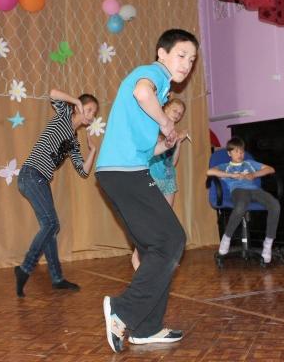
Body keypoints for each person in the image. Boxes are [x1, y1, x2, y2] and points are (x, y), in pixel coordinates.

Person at [96, 28, 198, 353]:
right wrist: (166, 124)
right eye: (181, 55)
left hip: (122, 169)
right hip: (124, 172)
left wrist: (162, 145)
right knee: (173, 239)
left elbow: (141, 148)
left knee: (155, 248)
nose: (187, 64)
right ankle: (123, 311)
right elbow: (142, 92)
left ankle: (146, 328)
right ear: (162, 53)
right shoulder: (152, 74)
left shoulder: (162, 90)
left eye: (192, 59)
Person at [14, 89, 98, 297]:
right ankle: (25, 268)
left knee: (49, 227)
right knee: (52, 224)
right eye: (88, 110)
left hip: (40, 180)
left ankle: (57, 278)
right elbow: (53, 93)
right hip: (31, 175)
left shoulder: (73, 141)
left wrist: (93, 151)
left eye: (94, 113)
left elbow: (83, 171)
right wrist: (75, 101)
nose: (91, 116)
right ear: (78, 108)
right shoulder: (64, 116)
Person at [130, 98, 189, 271]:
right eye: (175, 110)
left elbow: (173, 162)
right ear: (165, 108)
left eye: (180, 114)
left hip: (169, 180)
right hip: (153, 178)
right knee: (149, 221)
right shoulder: (153, 127)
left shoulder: (172, 132)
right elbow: (150, 151)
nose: (177, 115)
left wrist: (178, 142)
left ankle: (163, 257)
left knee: (165, 221)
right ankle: (136, 256)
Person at [206, 137, 281, 263]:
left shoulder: (249, 163)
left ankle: (268, 244)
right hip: (238, 190)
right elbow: (210, 172)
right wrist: (231, 175)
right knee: (241, 205)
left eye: (241, 151)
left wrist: (254, 174)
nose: (240, 154)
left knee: (275, 205)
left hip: (254, 190)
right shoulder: (226, 166)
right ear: (229, 153)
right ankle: (227, 237)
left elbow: (270, 169)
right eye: (236, 151)